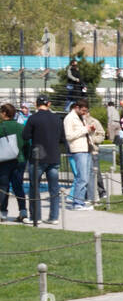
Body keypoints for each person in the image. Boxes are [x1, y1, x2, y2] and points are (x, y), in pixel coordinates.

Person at [22, 94, 64, 223]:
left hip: (38, 156)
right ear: (49, 104)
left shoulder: (33, 118)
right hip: (54, 155)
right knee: (54, 189)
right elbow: (62, 138)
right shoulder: (57, 119)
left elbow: (25, 136)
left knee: (35, 188)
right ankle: (54, 217)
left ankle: (36, 217)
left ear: (36, 104)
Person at [63, 99, 92, 209]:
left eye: (86, 110)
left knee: (85, 177)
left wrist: (89, 130)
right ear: (77, 108)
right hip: (78, 150)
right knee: (81, 177)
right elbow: (69, 136)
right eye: (83, 110)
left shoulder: (81, 117)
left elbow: (83, 132)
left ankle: (81, 200)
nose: (84, 112)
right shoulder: (69, 118)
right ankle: (77, 203)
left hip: (86, 148)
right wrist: (85, 129)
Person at [0, 103, 25, 221]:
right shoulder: (21, 127)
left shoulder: (1, 127)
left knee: (3, 187)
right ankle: (23, 211)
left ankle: (2, 213)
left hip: (4, 161)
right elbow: (27, 145)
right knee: (18, 186)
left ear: (4, 113)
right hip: (20, 160)